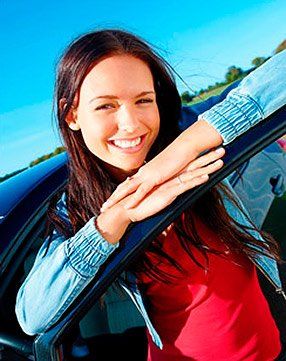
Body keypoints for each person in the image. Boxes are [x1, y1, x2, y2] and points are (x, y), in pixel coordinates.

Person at [15, 29, 286, 360]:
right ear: (72, 114)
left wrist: (183, 149)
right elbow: (32, 316)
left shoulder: (187, 131)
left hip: (268, 346)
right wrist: (117, 216)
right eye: (105, 106)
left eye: (143, 100)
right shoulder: (76, 205)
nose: (130, 124)